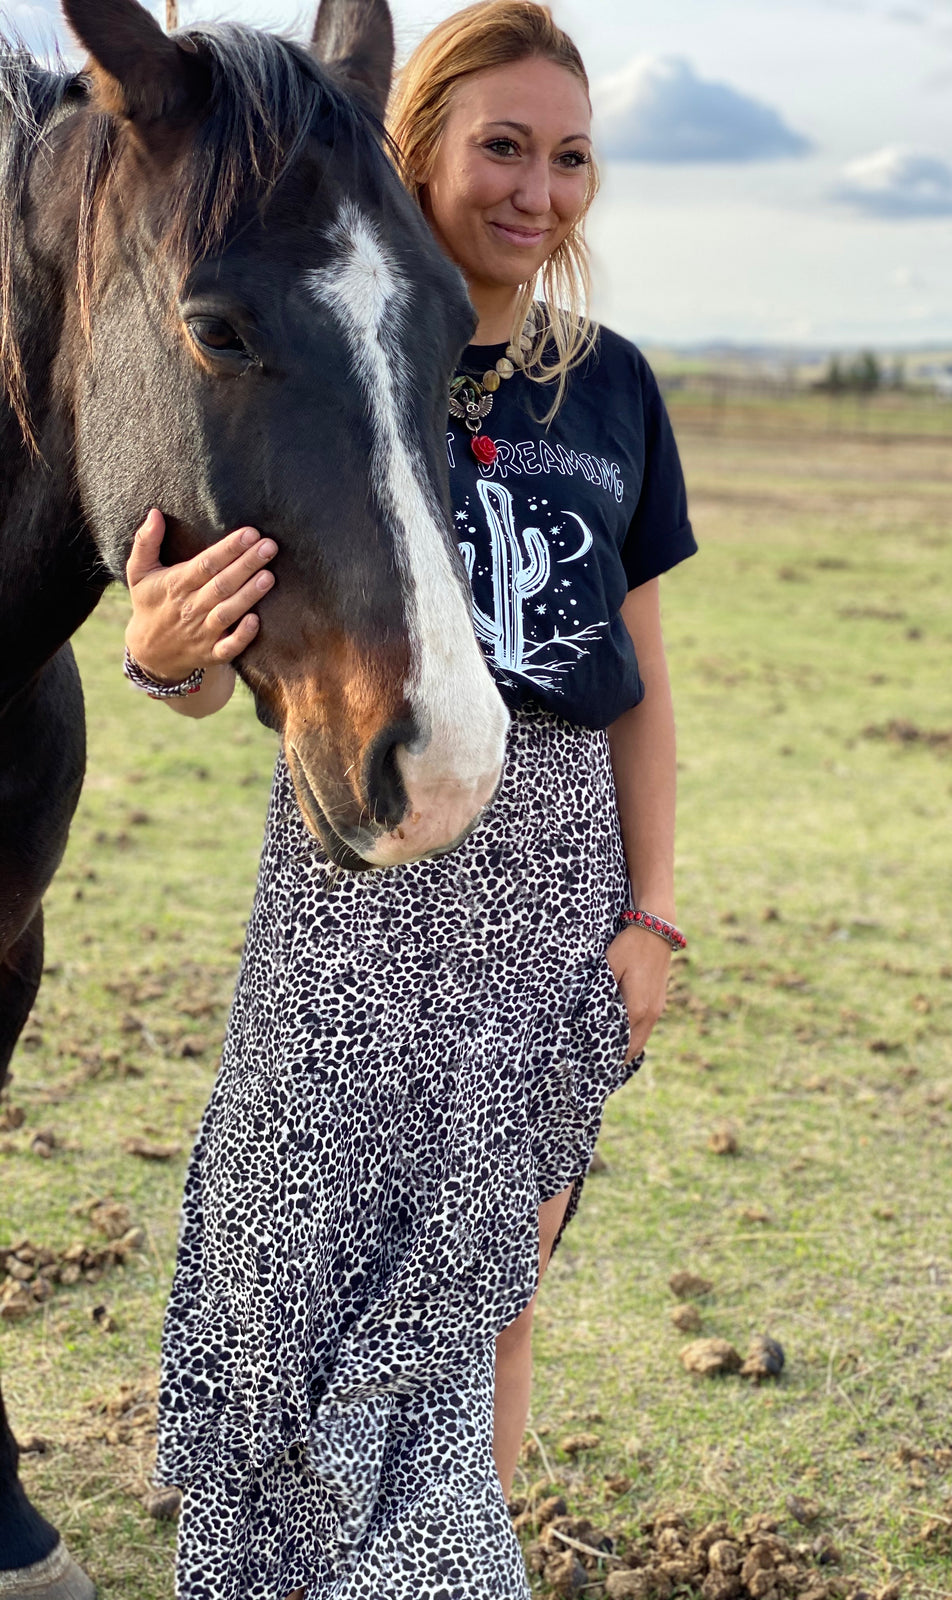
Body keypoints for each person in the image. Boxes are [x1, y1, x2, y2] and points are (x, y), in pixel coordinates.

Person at [124, 3, 696, 1594]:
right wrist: (158, 658)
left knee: (487, 1298)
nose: (538, 188)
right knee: (291, 1292)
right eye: (501, 145)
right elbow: (195, 661)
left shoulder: (618, 393)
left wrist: (651, 915)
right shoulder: (343, 353)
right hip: (356, 877)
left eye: (570, 156)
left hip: (548, 883)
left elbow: (642, 689)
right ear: (420, 149)